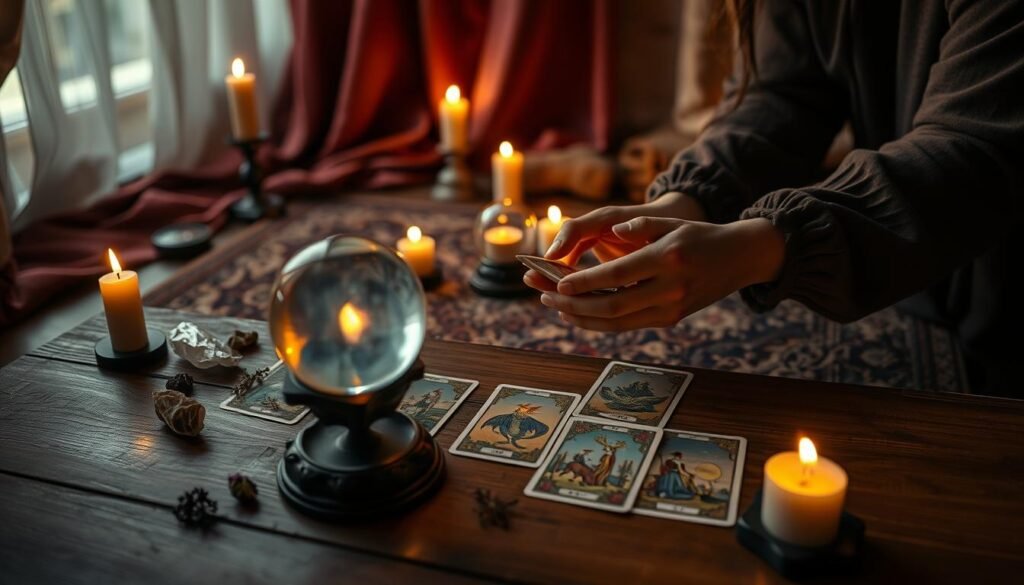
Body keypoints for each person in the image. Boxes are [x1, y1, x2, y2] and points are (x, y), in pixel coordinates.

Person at [525, 1, 1023, 397]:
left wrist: (763, 247)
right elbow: (784, 93)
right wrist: (685, 201)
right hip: (912, 281)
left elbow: (977, 149)